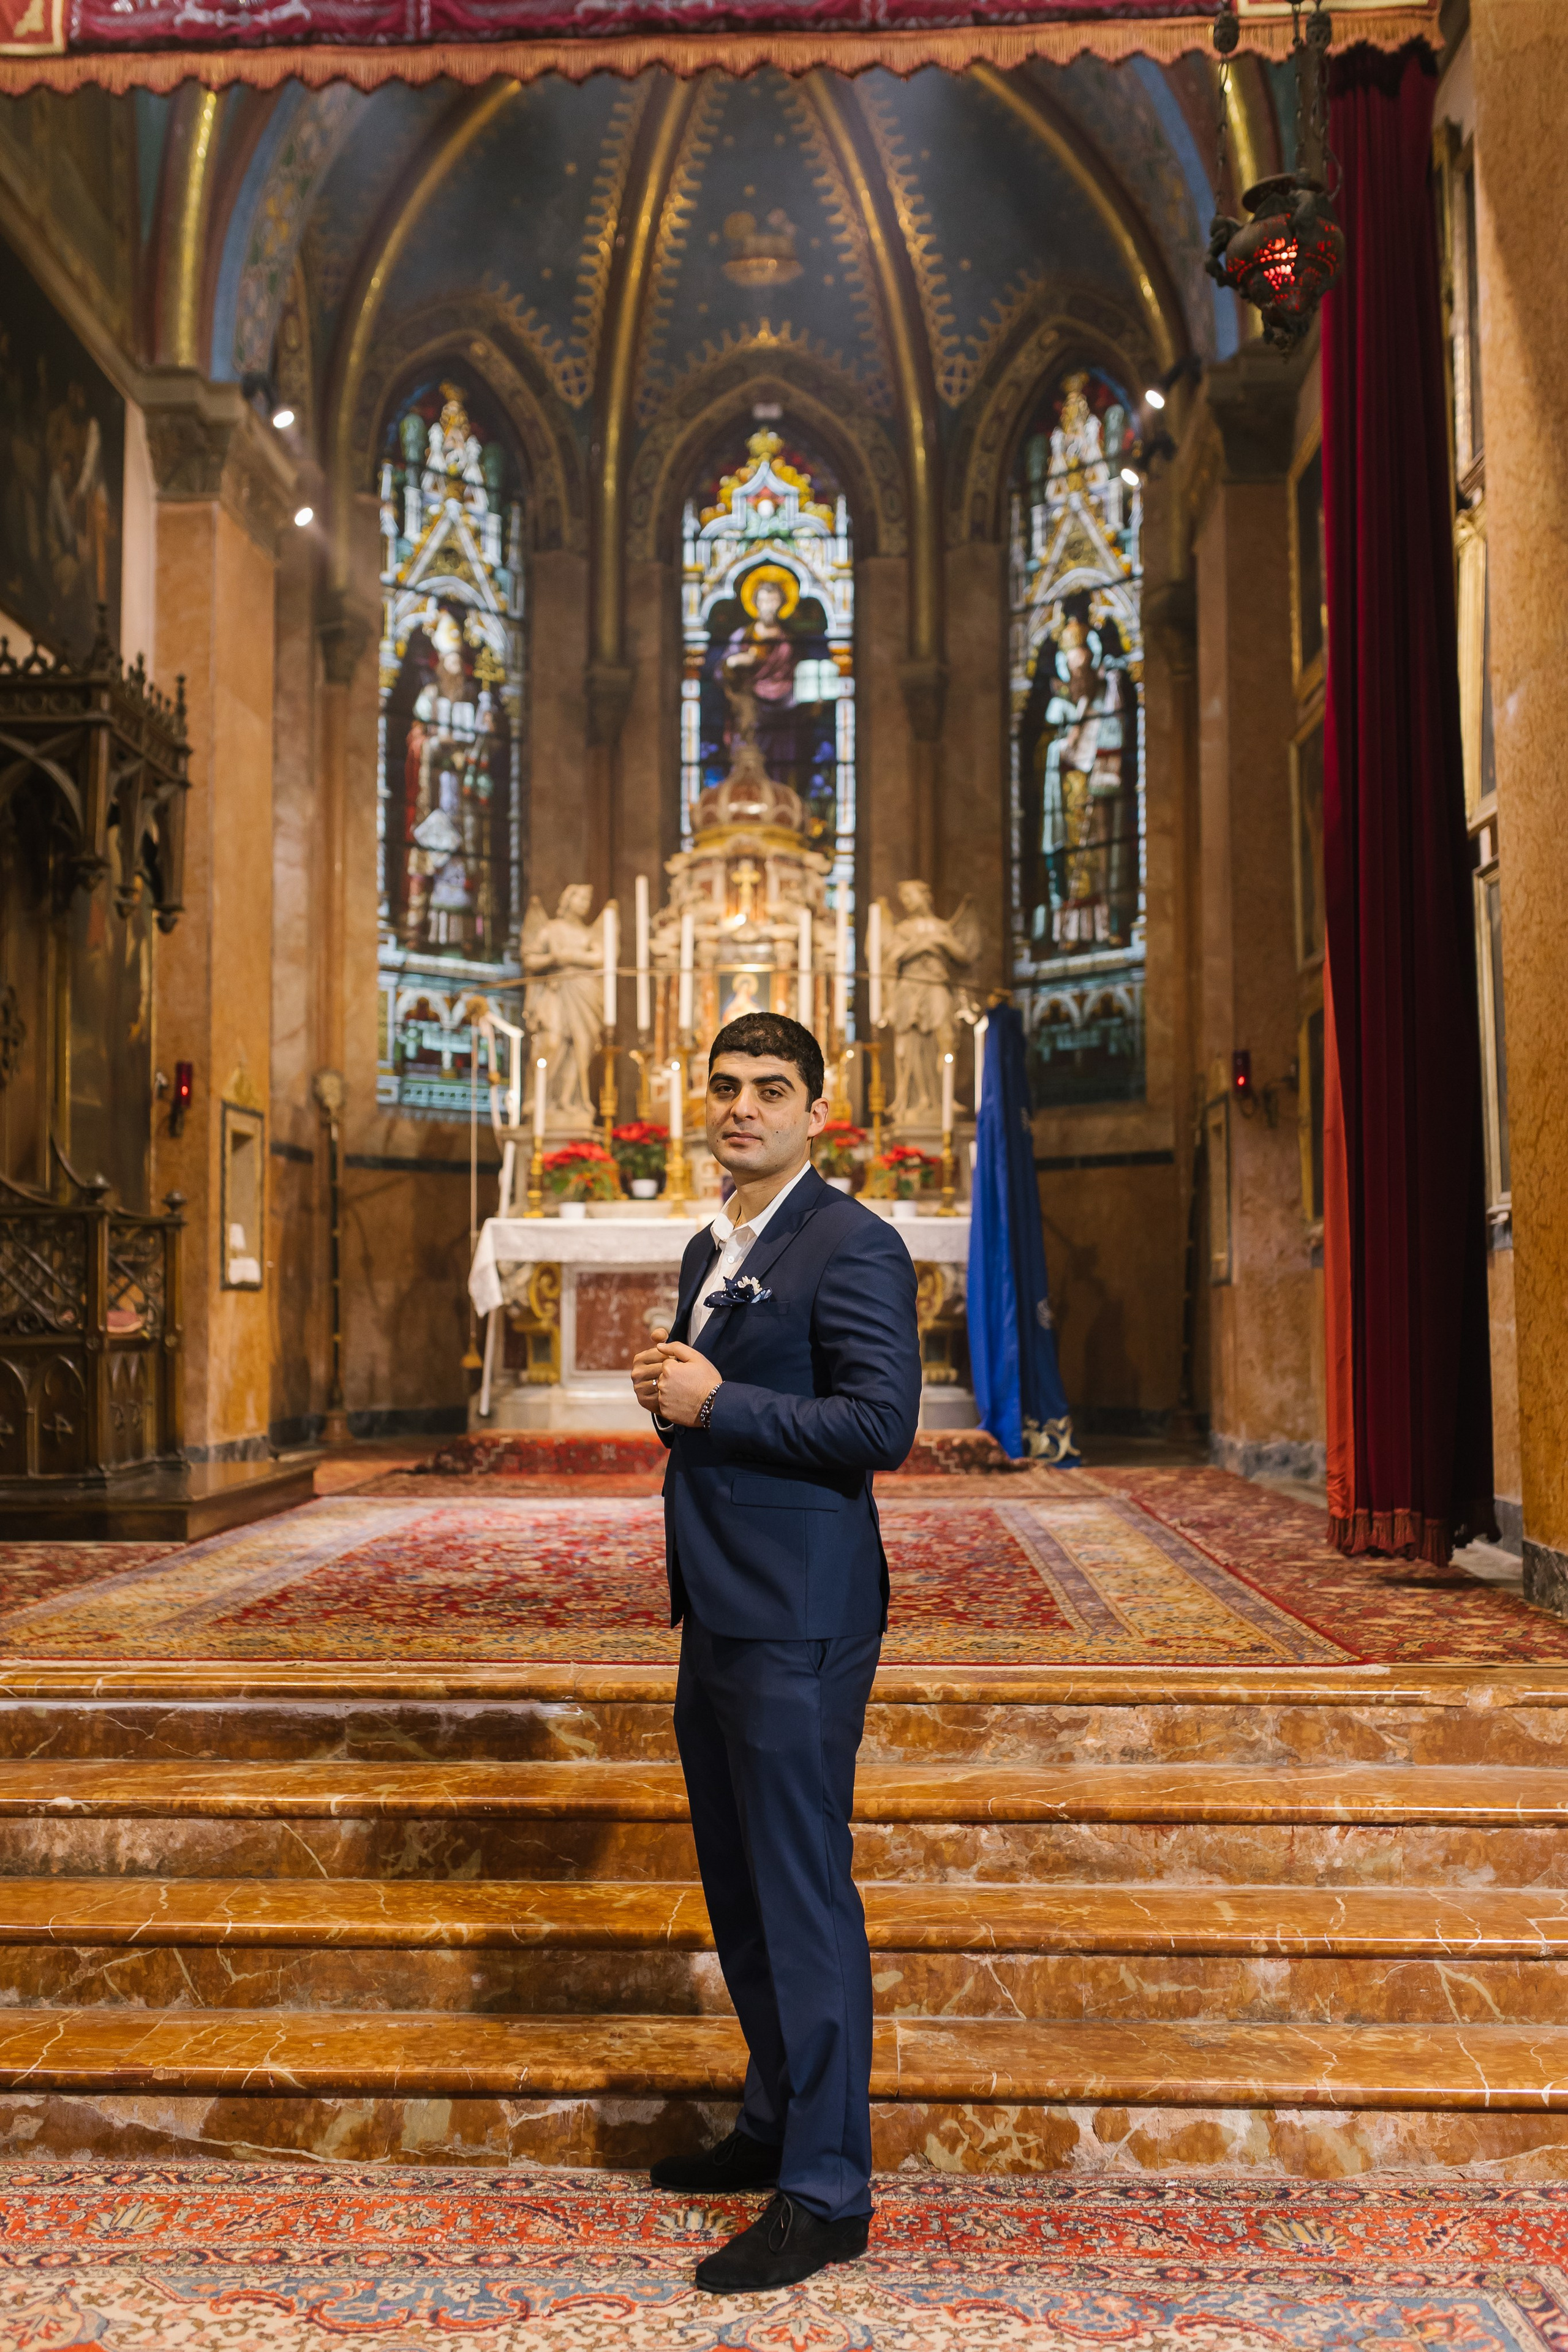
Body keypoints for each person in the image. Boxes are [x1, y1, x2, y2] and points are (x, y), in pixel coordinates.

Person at [630, 1011, 921, 2295]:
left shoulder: (851, 1240)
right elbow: (727, 1405)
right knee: (740, 1884)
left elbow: (878, 1423)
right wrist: (674, 1405)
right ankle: (769, 2120)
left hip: (799, 1610)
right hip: (718, 1603)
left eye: (770, 1089)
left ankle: (826, 2189)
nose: (740, 1106)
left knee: (800, 1897)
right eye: (726, 1087)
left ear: (815, 1112)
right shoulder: (714, 1239)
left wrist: (714, 1404)